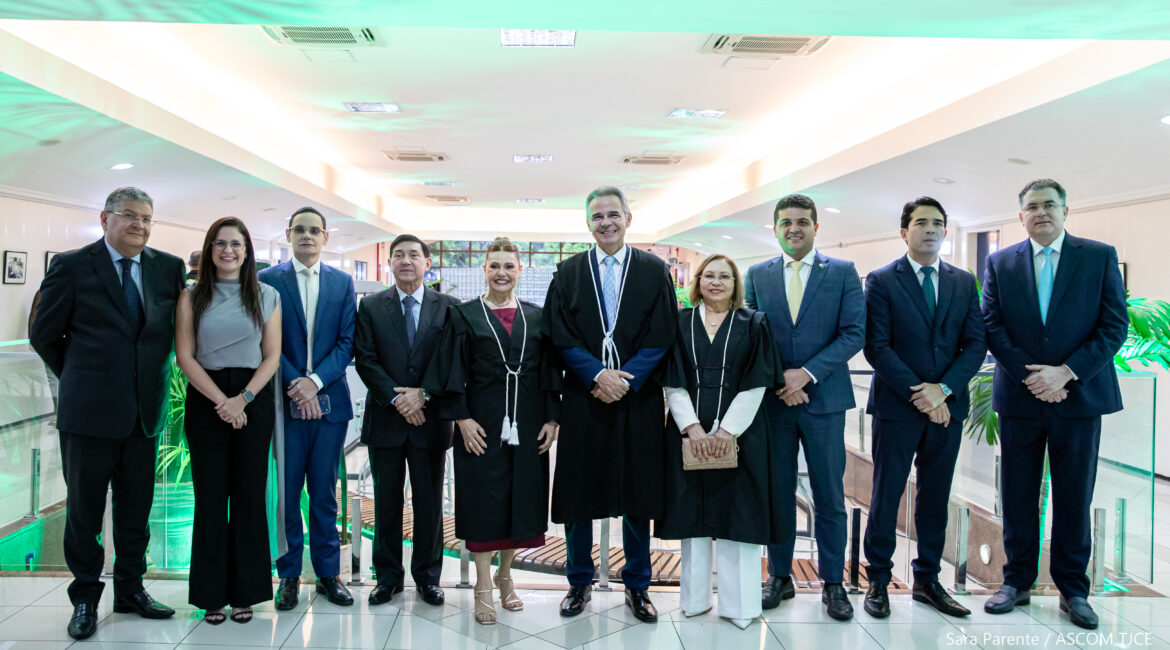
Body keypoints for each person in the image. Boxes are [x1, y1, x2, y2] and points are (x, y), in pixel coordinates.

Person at [30, 187, 184, 640]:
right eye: (129, 215)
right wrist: (81, 375)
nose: (139, 224)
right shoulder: (73, 265)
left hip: (144, 414)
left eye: (147, 218)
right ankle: (83, 599)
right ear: (105, 218)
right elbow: (43, 334)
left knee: (136, 512)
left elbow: (176, 332)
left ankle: (131, 590)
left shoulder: (167, 268)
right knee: (84, 513)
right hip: (88, 415)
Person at [981, 179, 1127, 629]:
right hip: (1022, 400)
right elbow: (992, 325)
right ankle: (1016, 582)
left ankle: (1073, 590)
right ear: (1020, 214)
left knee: (1073, 496)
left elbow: (1113, 327)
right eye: (1032, 207)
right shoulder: (1000, 261)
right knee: (1019, 494)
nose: (1041, 212)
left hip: (1079, 398)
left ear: (1066, 210)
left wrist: (1065, 373)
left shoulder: (1098, 256)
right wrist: (1035, 377)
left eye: (1049, 205)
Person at [546, 186, 677, 623]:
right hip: (584, 397)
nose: (606, 222)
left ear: (628, 218)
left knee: (638, 493)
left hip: (636, 398)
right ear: (588, 223)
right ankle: (578, 581)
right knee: (580, 491)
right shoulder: (567, 272)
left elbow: (663, 333)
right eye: (598, 216)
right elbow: (559, 334)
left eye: (613, 214)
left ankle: (638, 585)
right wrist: (595, 375)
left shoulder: (654, 270)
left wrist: (626, 379)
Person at [860, 197, 987, 619]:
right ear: (904, 231)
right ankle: (877, 578)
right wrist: (923, 393)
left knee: (936, 496)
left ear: (945, 231)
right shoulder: (881, 280)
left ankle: (928, 581)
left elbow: (975, 343)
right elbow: (877, 346)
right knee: (886, 495)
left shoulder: (963, 282)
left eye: (937, 223)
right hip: (899, 407)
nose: (930, 229)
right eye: (920, 223)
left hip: (947, 410)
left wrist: (945, 390)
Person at [424, 237, 560, 625]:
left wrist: (552, 418)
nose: (501, 272)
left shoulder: (536, 317)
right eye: (494, 265)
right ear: (483, 270)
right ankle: (484, 584)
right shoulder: (464, 316)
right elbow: (451, 371)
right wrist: (461, 419)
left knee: (521, 500)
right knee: (483, 501)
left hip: (529, 422)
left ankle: (506, 574)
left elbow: (550, 372)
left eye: (509, 266)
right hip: (480, 424)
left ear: (520, 271)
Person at [745, 193, 865, 620]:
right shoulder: (758, 274)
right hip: (775, 404)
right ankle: (780, 575)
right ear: (775, 229)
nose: (793, 228)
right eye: (785, 222)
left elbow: (854, 333)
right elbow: (752, 334)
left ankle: (834, 582)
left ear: (817, 227)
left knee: (829, 495)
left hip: (825, 401)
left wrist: (806, 374)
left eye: (802, 221)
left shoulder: (844, 272)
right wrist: (783, 379)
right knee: (776, 492)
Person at [658, 254, 777, 629]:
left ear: (735, 283)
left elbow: (758, 380)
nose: (716, 282)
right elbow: (672, 379)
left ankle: (740, 606)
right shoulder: (680, 323)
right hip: (687, 431)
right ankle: (694, 601)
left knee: (738, 517)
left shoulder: (754, 323)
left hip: (742, 435)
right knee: (691, 516)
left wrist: (726, 431)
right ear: (698, 281)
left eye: (724, 276)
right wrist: (692, 427)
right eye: (709, 275)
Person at [175, 217, 281, 624]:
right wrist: (223, 401)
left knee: (251, 496)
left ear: (247, 250)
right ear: (209, 249)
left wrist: (244, 399)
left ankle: (246, 594)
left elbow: (272, 355)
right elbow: (185, 356)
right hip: (207, 398)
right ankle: (211, 595)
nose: (228, 251)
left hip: (253, 396)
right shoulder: (191, 297)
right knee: (211, 497)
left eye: (236, 244)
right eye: (220, 243)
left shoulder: (266, 294)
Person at [260, 207, 357, 610]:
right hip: (283, 406)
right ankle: (288, 575)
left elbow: (347, 342)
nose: (306, 236)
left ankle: (328, 574)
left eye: (314, 230)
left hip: (330, 406)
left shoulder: (342, 282)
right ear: (288, 234)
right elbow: (264, 340)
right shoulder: (267, 280)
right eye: (299, 229)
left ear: (325, 237)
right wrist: (295, 383)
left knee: (324, 494)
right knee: (286, 494)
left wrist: (314, 382)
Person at [354, 234, 459, 607]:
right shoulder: (371, 307)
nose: (405, 261)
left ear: (427, 263)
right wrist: (398, 398)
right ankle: (387, 577)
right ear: (390, 264)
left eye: (414, 255)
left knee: (430, 504)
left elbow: (451, 361)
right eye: (398, 255)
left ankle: (428, 578)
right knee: (385, 501)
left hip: (429, 422)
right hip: (386, 419)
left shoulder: (448, 306)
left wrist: (424, 394)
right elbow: (365, 358)